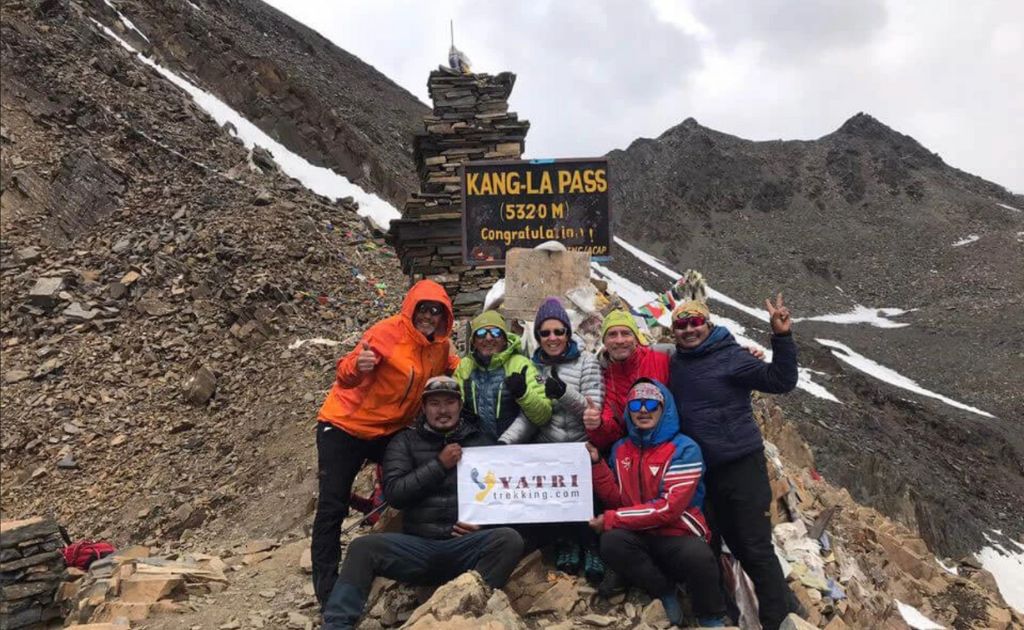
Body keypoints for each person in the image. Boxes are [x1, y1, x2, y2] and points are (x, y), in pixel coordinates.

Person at [322, 376, 524, 630]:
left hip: (465, 547)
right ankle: (337, 624)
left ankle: (469, 603)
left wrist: (482, 525)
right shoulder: (404, 442)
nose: (442, 410)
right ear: (424, 408)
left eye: (449, 402)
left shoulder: (481, 440)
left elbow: (504, 494)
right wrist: (439, 464)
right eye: (435, 403)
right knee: (363, 548)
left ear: (460, 405)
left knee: (508, 539)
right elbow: (395, 493)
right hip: (417, 547)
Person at [311, 280, 459, 607]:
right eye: (423, 309)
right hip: (345, 426)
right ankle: (327, 588)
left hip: (389, 431)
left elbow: (453, 368)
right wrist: (357, 365)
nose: (429, 316)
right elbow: (345, 372)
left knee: (421, 471)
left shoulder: (440, 346)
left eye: (437, 311)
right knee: (333, 504)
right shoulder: (386, 333)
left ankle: (417, 548)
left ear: (445, 316)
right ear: (411, 308)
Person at [667, 295, 799, 630]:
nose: (689, 330)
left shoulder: (732, 357)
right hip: (702, 474)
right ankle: (727, 614)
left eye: (695, 322)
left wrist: (781, 337)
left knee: (754, 546)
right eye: (681, 325)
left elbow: (781, 381)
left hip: (742, 465)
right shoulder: (676, 363)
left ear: (707, 324)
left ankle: (777, 620)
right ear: (673, 331)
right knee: (711, 546)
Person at [588, 379, 728, 628]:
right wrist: (598, 464)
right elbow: (616, 499)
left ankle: (710, 616)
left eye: (651, 403)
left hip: (678, 534)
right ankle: (664, 591)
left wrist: (612, 519)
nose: (643, 410)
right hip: (639, 536)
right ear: (628, 410)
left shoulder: (684, 449)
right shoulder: (621, 449)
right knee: (611, 542)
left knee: (699, 556)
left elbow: (669, 508)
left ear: (665, 408)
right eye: (636, 403)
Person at [499, 297, 605, 580]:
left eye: (558, 331)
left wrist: (564, 393)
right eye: (545, 333)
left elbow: (594, 408)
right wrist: (505, 443)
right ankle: (567, 543)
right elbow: (531, 416)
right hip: (549, 448)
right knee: (556, 502)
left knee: (590, 499)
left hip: (583, 444)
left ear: (568, 333)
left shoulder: (588, 362)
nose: (552, 337)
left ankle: (592, 547)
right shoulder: (534, 368)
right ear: (538, 337)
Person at [453, 310, 551, 441]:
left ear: (505, 340)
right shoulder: (465, 367)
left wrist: (524, 394)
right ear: (473, 342)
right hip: (476, 450)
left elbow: (544, 416)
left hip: (514, 448)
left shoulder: (521, 365)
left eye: (496, 332)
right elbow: (453, 410)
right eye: (481, 333)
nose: (488, 338)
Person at [584, 310, 668, 451]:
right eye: (612, 334)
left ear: (636, 338)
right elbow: (611, 433)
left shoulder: (662, 359)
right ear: (603, 341)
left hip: (668, 445)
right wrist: (597, 425)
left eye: (626, 333)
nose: (619, 340)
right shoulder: (603, 376)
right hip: (631, 451)